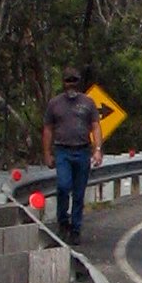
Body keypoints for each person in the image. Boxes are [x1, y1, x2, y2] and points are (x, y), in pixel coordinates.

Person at [42, 67, 103, 240]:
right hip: (62, 151)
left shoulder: (88, 103)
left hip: (83, 151)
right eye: (68, 81)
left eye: (74, 81)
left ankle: (75, 229)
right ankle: (63, 221)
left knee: (79, 192)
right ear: (63, 83)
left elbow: (96, 126)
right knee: (63, 186)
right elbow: (47, 129)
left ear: (79, 82)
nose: (71, 84)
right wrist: (47, 153)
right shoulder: (55, 104)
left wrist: (97, 150)